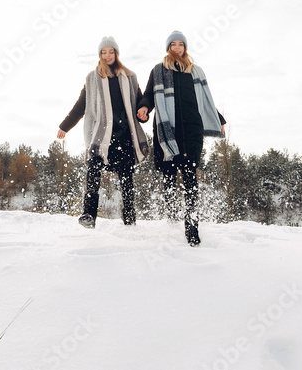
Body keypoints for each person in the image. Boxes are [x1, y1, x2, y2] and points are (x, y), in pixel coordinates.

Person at [137, 30, 226, 247]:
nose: (177, 48)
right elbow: (149, 94)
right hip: (168, 131)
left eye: (181, 45)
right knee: (169, 177)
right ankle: (171, 216)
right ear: (168, 48)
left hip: (192, 130)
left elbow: (205, 100)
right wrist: (144, 107)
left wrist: (220, 120)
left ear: (185, 48)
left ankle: (192, 226)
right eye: (173, 45)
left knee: (190, 178)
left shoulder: (195, 72)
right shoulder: (158, 71)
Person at [58, 36, 150, 228]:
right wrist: (64, 126)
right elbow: (81, 106)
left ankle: (130, 218)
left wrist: (144, 111)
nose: (107, 55)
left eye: (111, 51)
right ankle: (88, 215)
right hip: (101, 136)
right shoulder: (93, 78)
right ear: (99, 55)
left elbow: (141, 101)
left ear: (116, 53)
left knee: (126, 178)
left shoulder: (129, 77)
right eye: (103, 52)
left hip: (124, 134)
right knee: (93, 171)